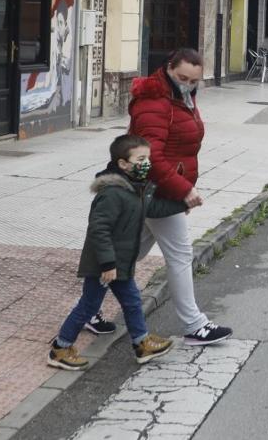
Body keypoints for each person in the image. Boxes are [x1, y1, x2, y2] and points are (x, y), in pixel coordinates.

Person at [128, 48, 233, 346]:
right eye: (182, 77)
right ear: (168, 68)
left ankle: (87, 312)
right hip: (154, 191)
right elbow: (148, 157)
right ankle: (194, 324)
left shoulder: (181, 97)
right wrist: (183, 189)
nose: (187, 83)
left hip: (161, 191)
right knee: (179, 256)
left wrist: (182, 186)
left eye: (194, 80)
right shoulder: (154, 102)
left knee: (127, 255)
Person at [47, 134, 179, 370]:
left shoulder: (135, 189)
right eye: (141, 158)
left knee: (132, 302)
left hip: (120, 263)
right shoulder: (112, 193)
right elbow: (99, 229)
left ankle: (142, 343)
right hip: (105, 265)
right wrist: (107, 264)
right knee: (88, 306)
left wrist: (185, 203)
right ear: (123, 164)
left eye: (147, 158)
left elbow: (153, 208)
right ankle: (60, 348)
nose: (146, 163)